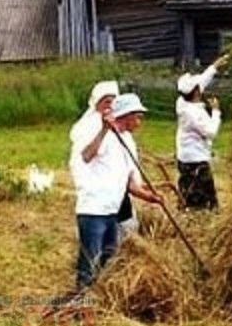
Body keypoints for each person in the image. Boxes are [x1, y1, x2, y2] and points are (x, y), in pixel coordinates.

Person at [70, 93, 163, 290]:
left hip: (112, 212)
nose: (140, 121)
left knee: (108, 259)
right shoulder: (104, 135)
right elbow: (86, 156)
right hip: (94, 210)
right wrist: (104, 130)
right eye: (137, 116)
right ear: (126, 115)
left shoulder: (128, 141)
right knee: (90, 261)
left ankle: (100, 298)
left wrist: (151, 198)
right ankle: (81, 300)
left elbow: (129, 183)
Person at [69, 81, 138, 235]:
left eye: (114, 102)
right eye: (107, 101)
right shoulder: (87, 128)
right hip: (97, 198)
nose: (110, 106)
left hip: (118, 192)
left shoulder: (121, 131)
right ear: (97, 104)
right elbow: (85, 158)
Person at [175, 55, 229, 210]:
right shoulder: (193, 114)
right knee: (202, 195)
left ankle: (186, 208)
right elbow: (211, 132)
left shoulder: (183, 101)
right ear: (196, 92)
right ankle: (197, 213)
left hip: (186, 156)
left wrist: (215, 66)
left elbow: (201, 81)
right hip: (195, 159)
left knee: (187, 188)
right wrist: (216, 112)